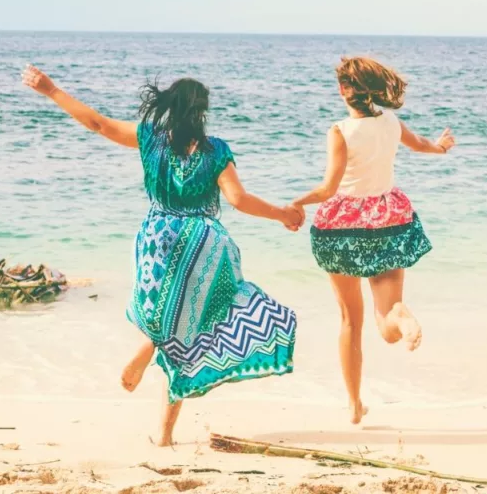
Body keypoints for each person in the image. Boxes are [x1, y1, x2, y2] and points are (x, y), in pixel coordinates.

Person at [21, 65, 302, 446]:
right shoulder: (215, 150)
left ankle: (150, 348)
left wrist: (52, 90)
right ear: (202, 112)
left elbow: (98, 124)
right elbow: (239, 200)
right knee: (195, 331)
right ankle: (164, 427)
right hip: (204, 241)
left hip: (158, 237)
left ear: (169, 107)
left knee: (166, 321)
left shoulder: (150, 139)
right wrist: (284, 214)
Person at [290, 57, 455, 424]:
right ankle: (400, 313)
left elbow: (329, 188)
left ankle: (353, 404)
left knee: (351, 319)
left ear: (345, 90)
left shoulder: (340, 131)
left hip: (342, 229)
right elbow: (422, 144)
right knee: (388, 325)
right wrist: (442, 148)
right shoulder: (392, 123)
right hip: (387, 221)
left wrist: (296, 203)